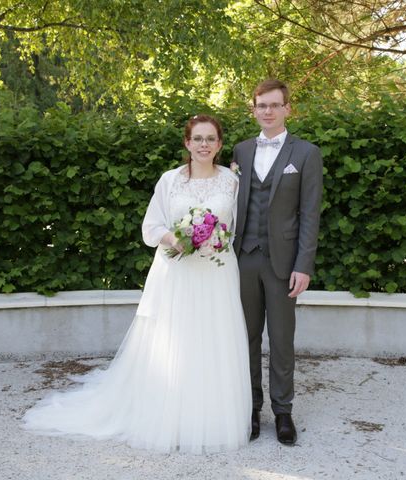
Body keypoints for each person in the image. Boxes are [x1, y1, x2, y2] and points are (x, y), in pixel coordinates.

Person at [23, 115, 252, 454]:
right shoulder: (169, 180)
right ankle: (169, 417)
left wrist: (216, 240)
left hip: (217, 274)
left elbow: (241, 227)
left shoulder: (232, 183)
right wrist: (175, 238)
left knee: (214, 341)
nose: (204, 145)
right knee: (175, 345)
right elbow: (150, 227)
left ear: (219, 145)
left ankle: (212, 419)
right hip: (176, 274)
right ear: (187, 144)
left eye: (211, 139)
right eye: (198, 139)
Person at [232, 79, 323, 445]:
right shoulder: (239, 152)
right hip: (242, 260)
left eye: (274, 105)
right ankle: (251, 408)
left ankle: (283, 412)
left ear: (288, 108)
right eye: (261, 105)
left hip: (285, 263)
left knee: (282, 340)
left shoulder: (306, 153)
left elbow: (310, 214)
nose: (267, 111)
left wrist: (304, 264)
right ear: (253, 109)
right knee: (247, 337)